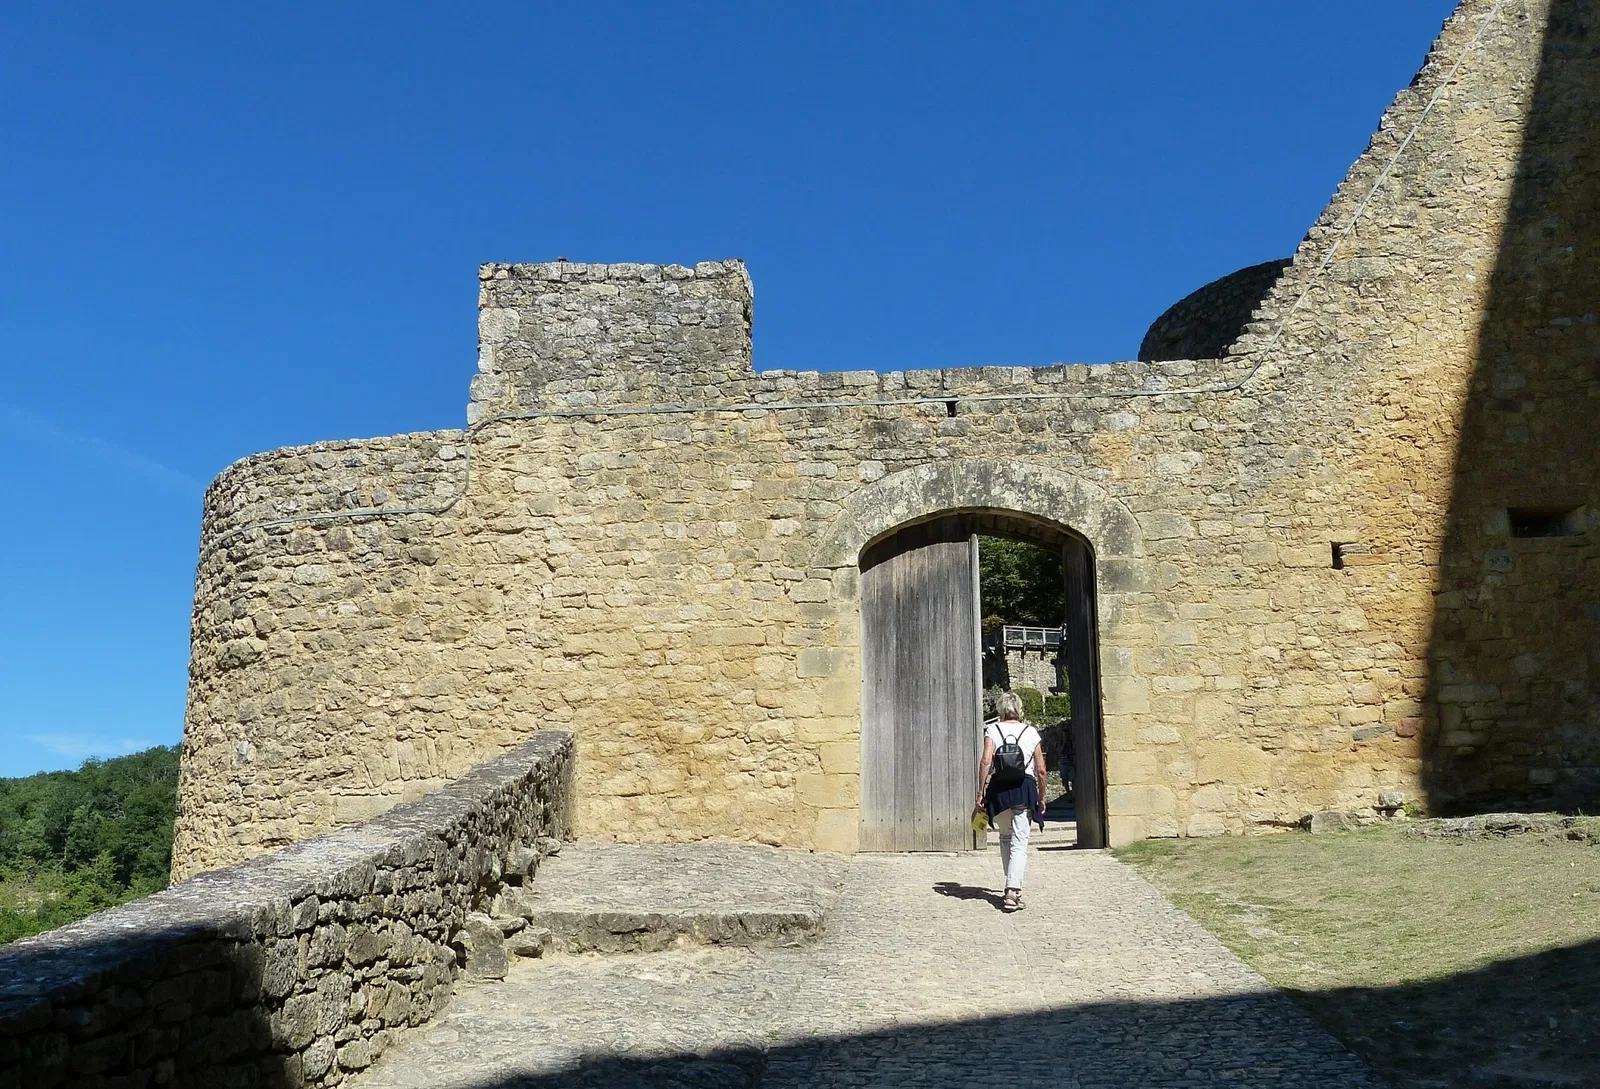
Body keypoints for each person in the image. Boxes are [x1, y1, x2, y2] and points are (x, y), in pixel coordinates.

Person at [975, 691, 1047, 912]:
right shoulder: (1031, 732)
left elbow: (986, 760)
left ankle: (1011, 883)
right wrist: (1041, 796)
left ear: (1001, 709)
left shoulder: (993, 729)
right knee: (1020, 841)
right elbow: (1041, 770)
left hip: (999, 790)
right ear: (1019, 709)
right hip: (1023, 789)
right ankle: (1013, 891)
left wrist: (980, 792)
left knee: (1006, 838)